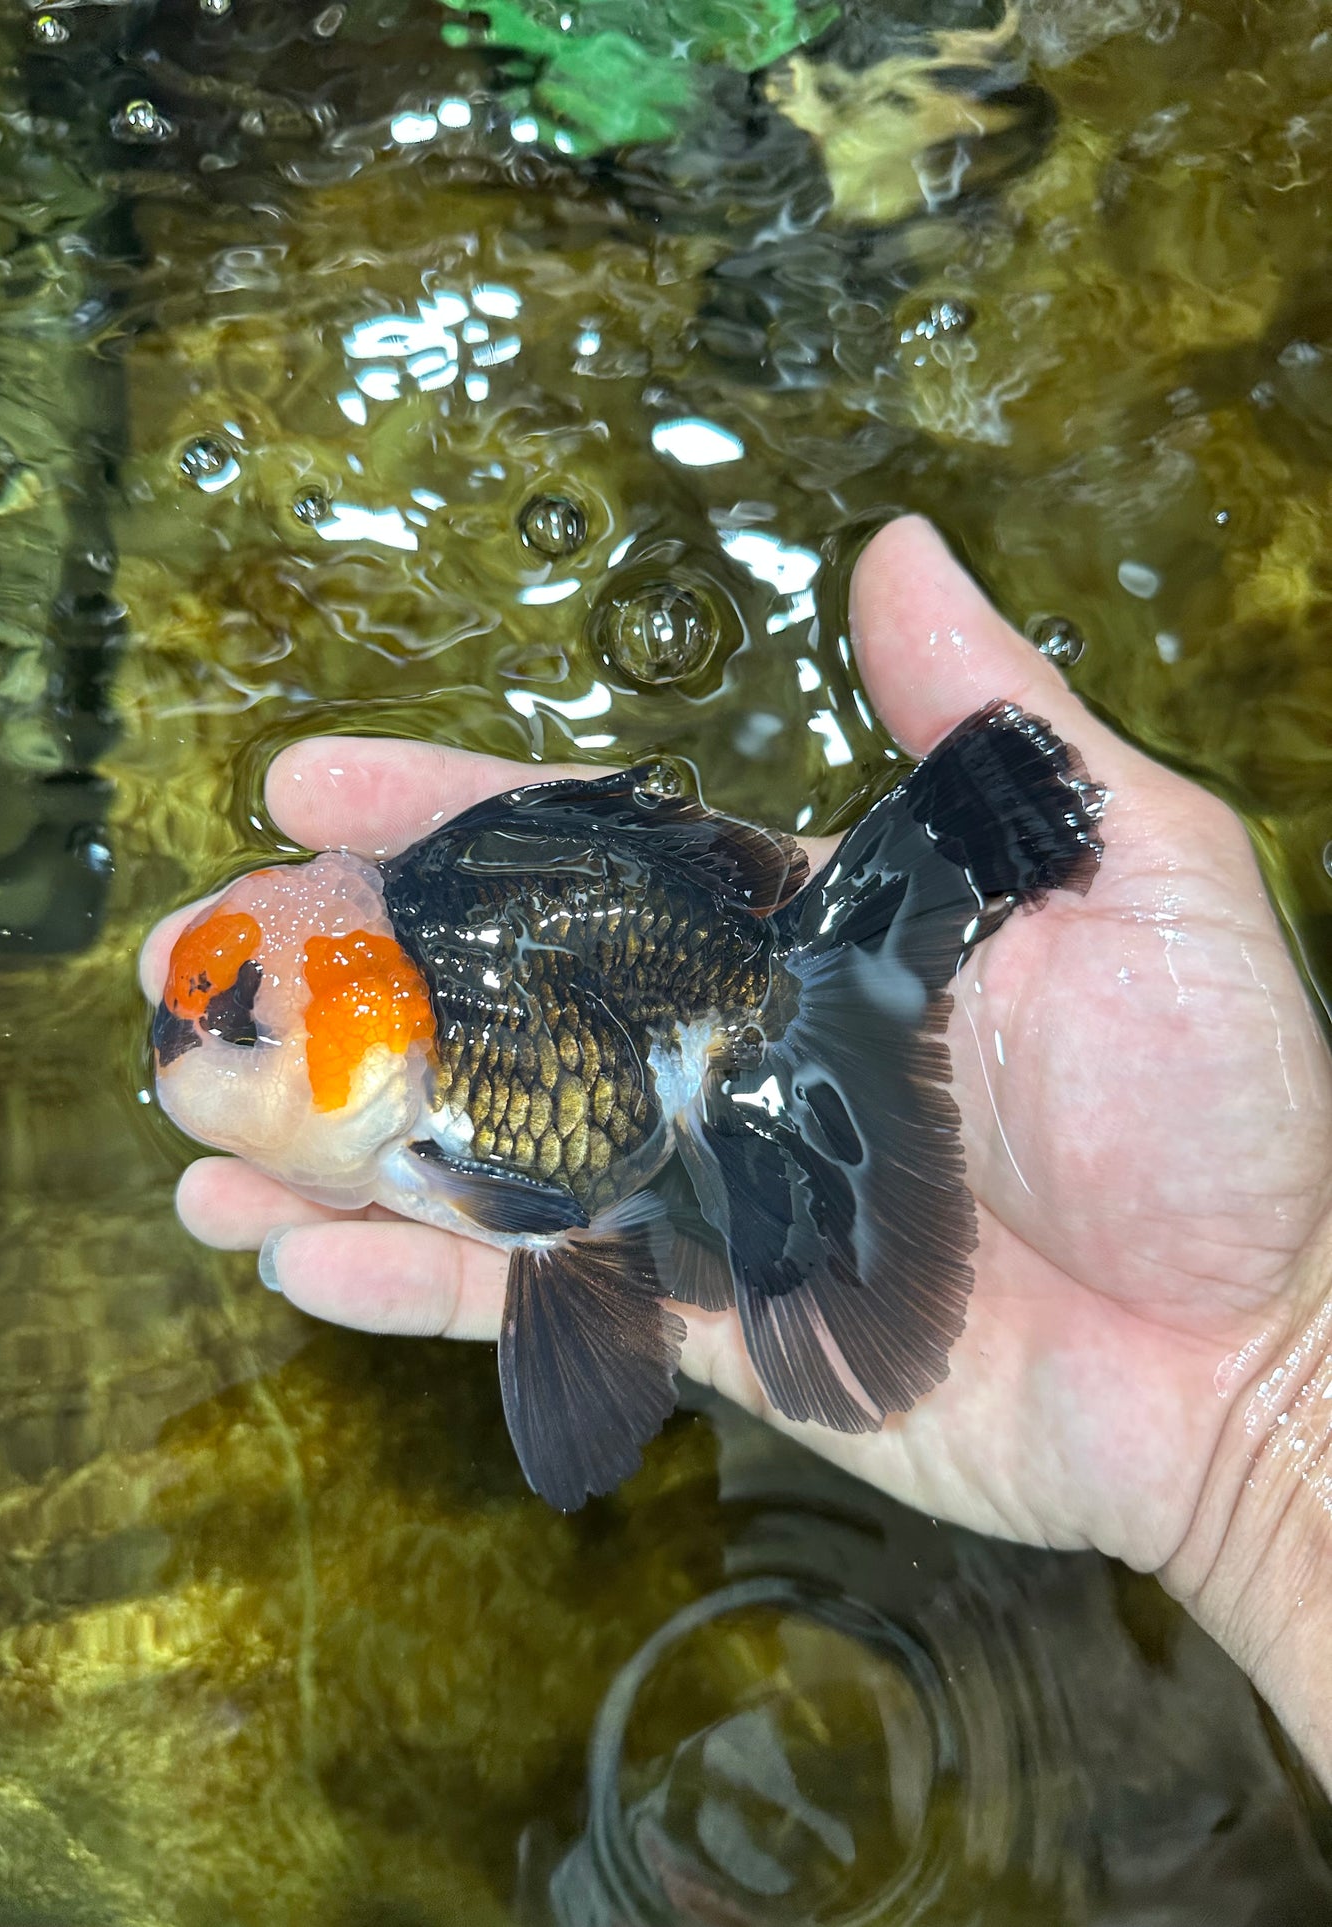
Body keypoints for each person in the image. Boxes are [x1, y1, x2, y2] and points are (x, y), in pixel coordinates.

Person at [142, 514, 1332, 1785]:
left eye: (243, 1030)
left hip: (673, 1016)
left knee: (609, 1202)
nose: (191, 1043)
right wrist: (1263, 1434)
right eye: (200, 1022)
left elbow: (544, 1209)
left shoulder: (440, 1126)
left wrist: (1275, 1394)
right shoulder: (399, 997)